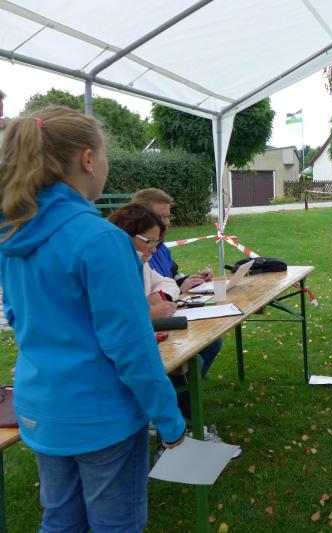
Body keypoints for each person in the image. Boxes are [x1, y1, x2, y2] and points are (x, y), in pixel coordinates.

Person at [0, 106, 185, 531]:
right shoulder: (101, 239)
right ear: (87, 159)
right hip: (101, 416)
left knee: (60, 520)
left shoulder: (13, 234)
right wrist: (170, 420)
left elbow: (16, 315)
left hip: (42, 408)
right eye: (105, 156)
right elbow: (131, 347)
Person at [108, 203, 242, 459]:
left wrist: (157, 296)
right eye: (149, 241)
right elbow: (113, 319)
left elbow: (167, 281)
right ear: (125, 234)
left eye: (156, 242)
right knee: (179, 367)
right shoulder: (114, 266)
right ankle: (179, 435)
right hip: (125, 351)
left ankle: (178, 426)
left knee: (203, 348)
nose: (153, 248)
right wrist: (148, 312)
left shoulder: (140, 261)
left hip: (144, 339)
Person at [131, 188, 223, 381]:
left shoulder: (158, 247)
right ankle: (183, 391)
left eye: (168, 217)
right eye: (161, 217)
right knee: (196, 356)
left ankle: (187, 390)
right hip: (148, 330)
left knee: (213, 341)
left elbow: (170, 277)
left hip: (167, 313)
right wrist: (172, 291)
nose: (167, 223)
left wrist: (191, 279)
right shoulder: (140, 252)